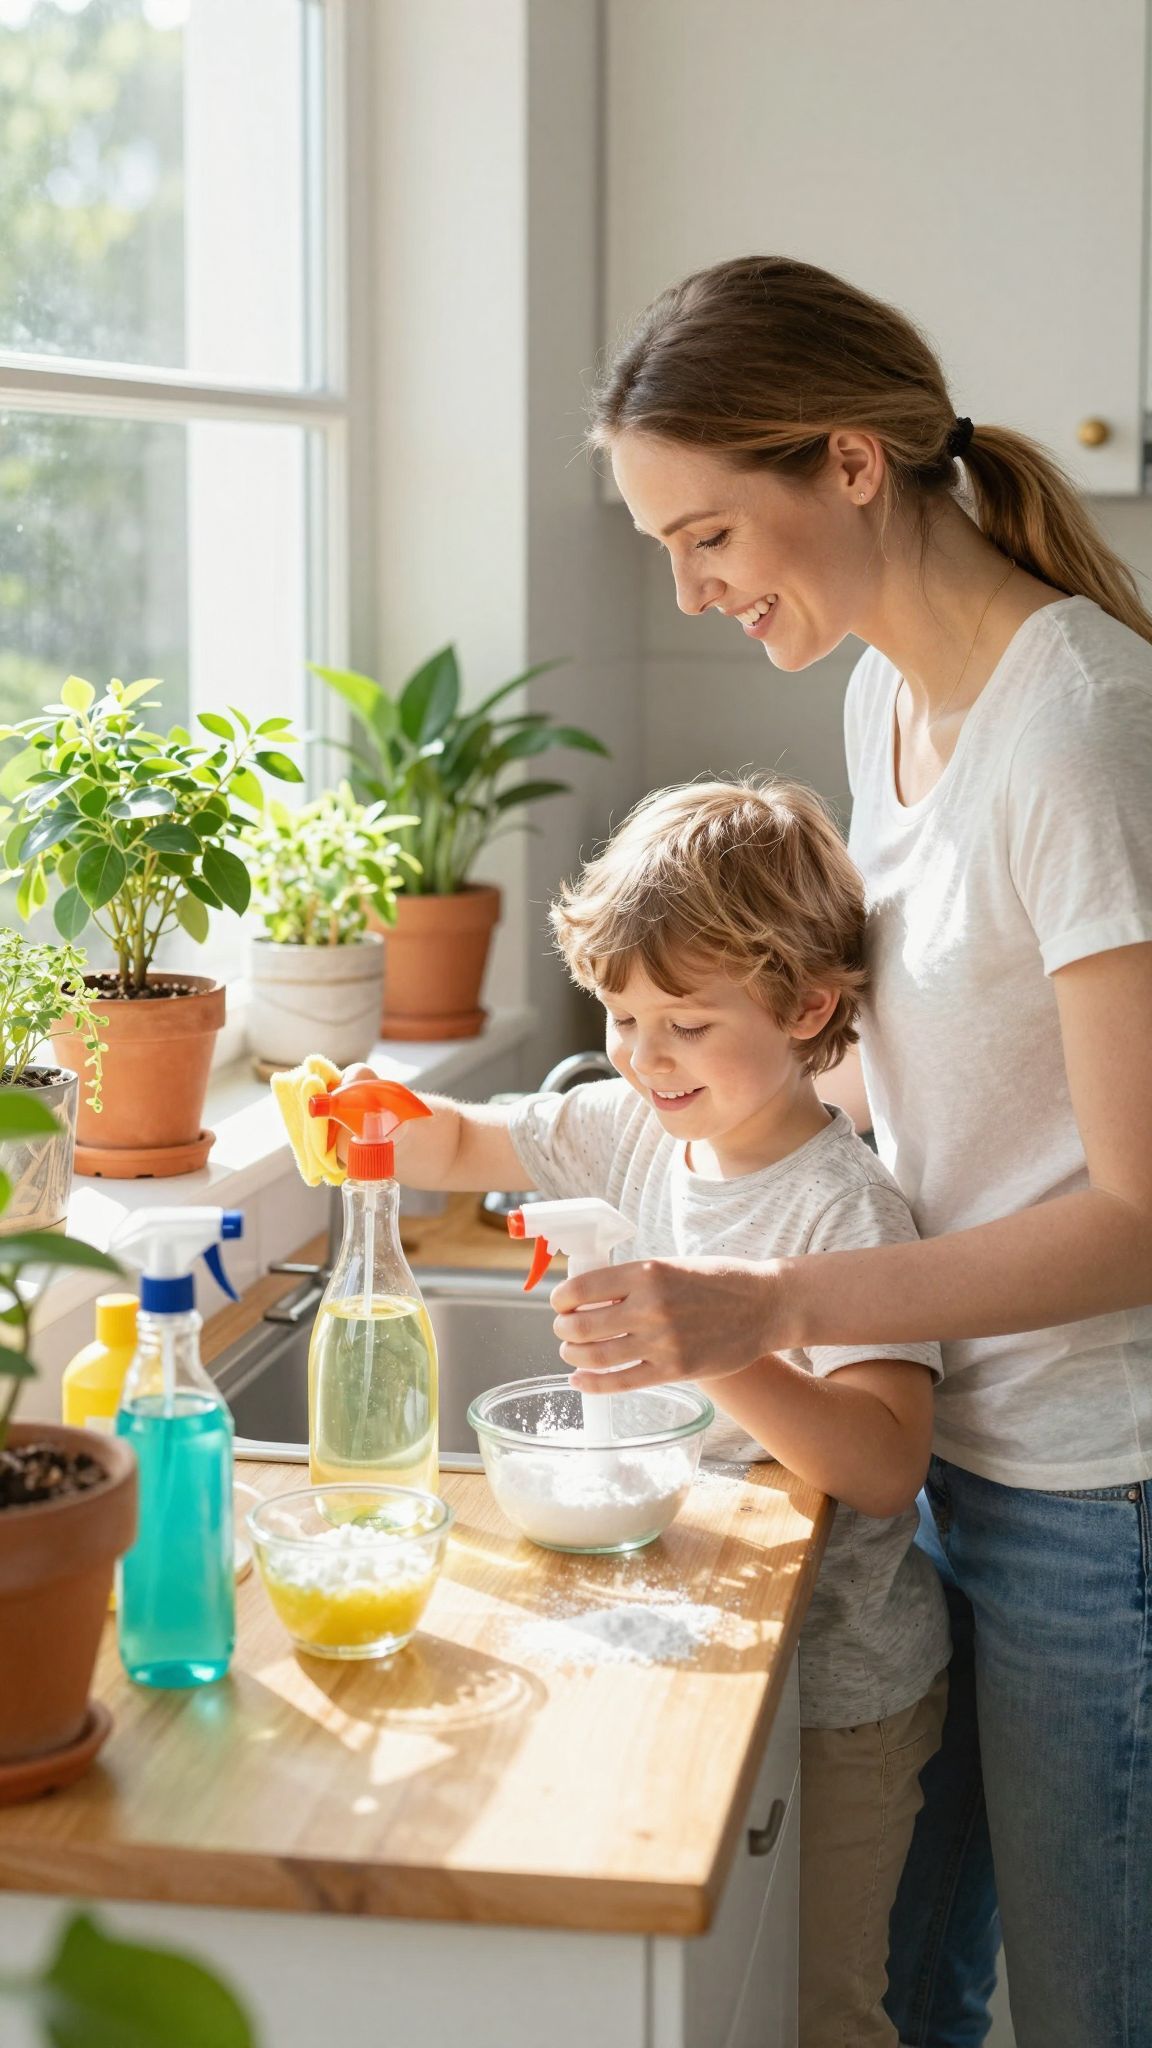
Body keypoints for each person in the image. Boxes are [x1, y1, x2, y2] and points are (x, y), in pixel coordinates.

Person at [554, 253, 1152, 2048]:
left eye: (711, 534)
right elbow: (929, 1091)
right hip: (950, 1449)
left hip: (1090, 1492)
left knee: (1084, 2006)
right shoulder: (879, 704)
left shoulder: (1080, 730)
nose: (692, 587)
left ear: (848, 461)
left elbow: (1131, 1213)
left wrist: (765, 1303)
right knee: (905, 1993)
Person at [349, 776, 950, 2048]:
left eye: (685, 1021)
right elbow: (473, 1142)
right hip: (693, 1629)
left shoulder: (843, 1212)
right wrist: (382, 1119)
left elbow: (888, 1463)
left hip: (841, 1692)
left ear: (806, 1007)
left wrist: (717, 1344)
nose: (642, 1053)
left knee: (819, 2006)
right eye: (621, 1014)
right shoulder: (628, 1127)